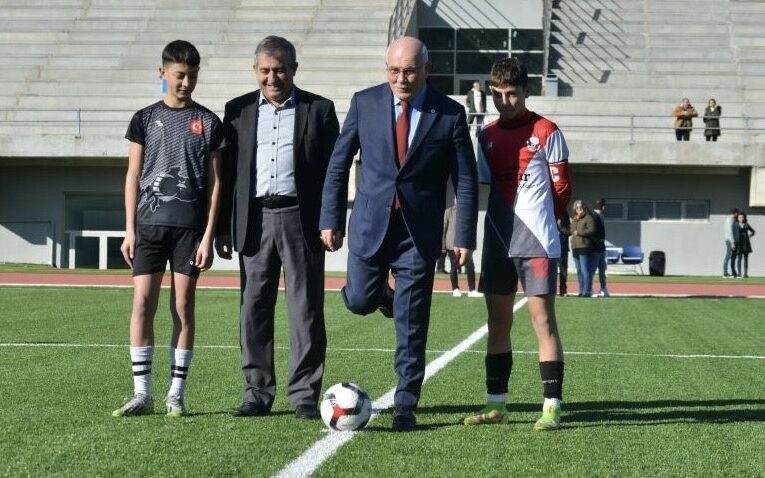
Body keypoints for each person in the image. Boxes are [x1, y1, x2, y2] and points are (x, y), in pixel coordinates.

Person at [320, 36, 478, 431]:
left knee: (412, 323)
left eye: (409, 70)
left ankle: (406, 402)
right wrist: (330, 218)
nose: (401, 78)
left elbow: (466, 180)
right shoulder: (365, 102)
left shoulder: (450, 114)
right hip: (370, 226)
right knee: (358, 300)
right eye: (394, 70)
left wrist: (462, 234)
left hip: (417, 234)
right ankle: (387, 296)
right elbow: (339, 164)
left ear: (427, 69)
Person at [215, 36, 340, 420]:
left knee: (305, 310)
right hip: (254, 221)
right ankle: (256, 393)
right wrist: (222, 226)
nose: (273, 78)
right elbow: (226, 174)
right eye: (266, 70)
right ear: (255, 71)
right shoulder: (235, 111)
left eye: (281, 69)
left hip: (302, 220)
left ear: (294, 69)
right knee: (253, 309)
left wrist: (331, 220)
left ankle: (304, 395)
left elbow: (334, 173)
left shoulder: (319, 109)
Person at [113, 40, 224, 418]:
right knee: (142, 303)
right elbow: (133, 176)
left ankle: (175, 394)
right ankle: (141, 393)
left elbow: (215, 184)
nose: (186, 82)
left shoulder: (209, 122)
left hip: (189, 231)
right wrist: (129, 229)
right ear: (162, 73)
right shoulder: (144, 118)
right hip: (148, 227)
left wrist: (208, 235)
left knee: (182, 307)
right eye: (179, 75)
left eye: (192, 76)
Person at [463, 57, 572, 432]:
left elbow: (562, 188)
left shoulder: (547, 130)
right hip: (496, 238)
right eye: (498, 95)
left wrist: (543, 222)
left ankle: (552, 407)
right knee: (498, 323)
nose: (505, 101)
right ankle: (497, 405)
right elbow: (481, 185)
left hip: (537, 240)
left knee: (542, 321)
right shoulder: (487, 135)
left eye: (512, 94)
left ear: (526, 91)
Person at [443, 201, 482, 297]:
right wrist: (443, 246)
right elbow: (444, 228)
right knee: (454, 267)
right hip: (451, 244)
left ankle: (472, 290)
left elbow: (472, 228)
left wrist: (473, 245)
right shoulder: (448, 211)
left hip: (466, 244)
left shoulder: (469, 211)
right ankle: (455, 289)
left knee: (470, 266)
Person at [571, 200, 597, 297]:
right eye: (577, 208)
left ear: (584, 208)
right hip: (575, 247)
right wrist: (575, 221)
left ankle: (587, 291)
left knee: (585, 270)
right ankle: (581, 290)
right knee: (578, 270)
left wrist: (580, 233)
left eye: (580, 207)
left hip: (584, 246)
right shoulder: (575, 218)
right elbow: (572, 230)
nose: (579, 209)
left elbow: (592, 230)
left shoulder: (588, 218)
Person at [592, 198, 609, 297]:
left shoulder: (601, 216)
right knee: (593, 269)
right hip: (595, 247)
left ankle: (603, 288)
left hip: (601, 247)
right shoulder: (593, 216)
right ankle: (590, 288)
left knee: (602, 269)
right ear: (602, 206)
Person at [734, 212, 755, 278]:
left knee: (746, 259)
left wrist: (750, 236)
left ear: (744, 218)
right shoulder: (736, 225)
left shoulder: (746, 224)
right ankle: (739, 273)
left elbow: (753, 231)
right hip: (739, 244)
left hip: (746, 244)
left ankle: (745, 274)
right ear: (737, 218)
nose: (741, 218)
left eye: (742, 217)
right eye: (739, 217)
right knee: (739, 259)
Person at [557, 211, 571, 297]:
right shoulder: (548, 209)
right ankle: (550, 290)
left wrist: (561, 227)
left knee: (563, 269)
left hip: (563, 245)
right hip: (550, 246)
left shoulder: (565, 213)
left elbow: (569, 231)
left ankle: (563, 290)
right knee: (550, 270)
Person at [723, 207, 739, 278]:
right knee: (728, 256)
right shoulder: (730, 219)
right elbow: (730, 232)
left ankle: (731, 273)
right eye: (737, 213)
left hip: (730, 240)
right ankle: (725, 273)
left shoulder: (731, 219)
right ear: (735, 213)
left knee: (730, 256)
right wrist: (733, 243)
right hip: (730, 240)